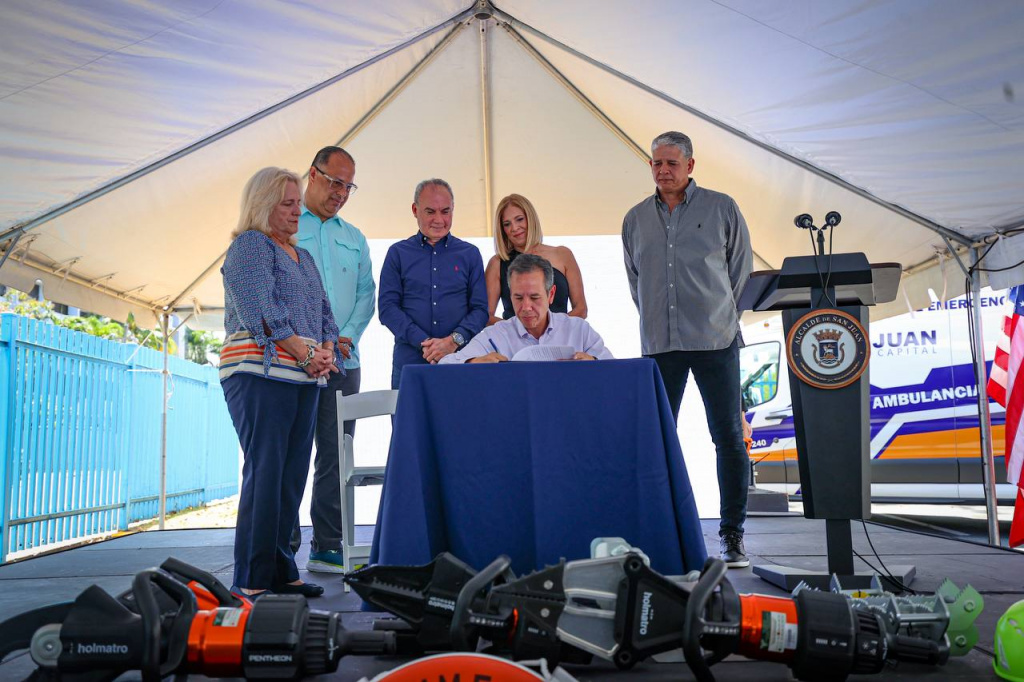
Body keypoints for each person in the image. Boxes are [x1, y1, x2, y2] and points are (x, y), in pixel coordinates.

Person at [622, 131, 753, 569]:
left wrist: (719, 315)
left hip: (716, 341)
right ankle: (662, 533)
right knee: (658, 440)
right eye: (656, 163)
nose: (663, 170)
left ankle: (732, 535)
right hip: (661, 345)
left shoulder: (722, 208)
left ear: (690, 166)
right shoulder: (635, 218)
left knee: (728, 438)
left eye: (671, 163)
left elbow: (740, 273)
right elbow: (637, 281)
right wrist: (658, 319)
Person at [219, 167, 342, 598]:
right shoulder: (250, 245)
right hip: (260, 375)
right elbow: (262, 311)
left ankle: (282, 571)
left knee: (291, 478)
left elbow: (325, 313)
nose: (296, 211)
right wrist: (308, 355)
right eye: (287, 204)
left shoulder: (302, 256)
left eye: (297, 203)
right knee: (266, 472)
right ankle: (252, 579)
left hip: (303, 378)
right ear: (263, 205)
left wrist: (326, 351)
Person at [288, 146, 375, 575]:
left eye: (348, 186)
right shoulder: (285, 224)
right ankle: (282, 544)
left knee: (336, 456)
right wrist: (305, 348)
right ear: (313, 174)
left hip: (343, 361)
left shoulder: (355, 238)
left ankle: (327, 545)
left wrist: (345, 338)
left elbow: (366, 295)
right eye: (335, 182)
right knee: (290, 452)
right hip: (292, 361)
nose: (341, 192)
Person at [379, 179, 487, 387]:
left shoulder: (470, 254)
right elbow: (387, 309)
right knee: (408, 411)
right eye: (430, 212)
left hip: (461, 362)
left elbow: (480, 310)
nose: (439, 219)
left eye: (445, 211)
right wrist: (425, 344)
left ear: (453, 209)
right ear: (415, 210)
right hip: (410, 365)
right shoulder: (397, 253)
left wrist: (453, 341)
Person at [442, 254, 611, 364]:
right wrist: (473, 362)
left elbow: (615, 369)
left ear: (551, 295)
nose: (526, 307)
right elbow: (446, 364)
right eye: (518, 298)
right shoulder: (495, 336)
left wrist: (593, 363)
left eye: (535, 297)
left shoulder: (580, 331)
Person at [485, 194, 588, 325]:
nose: (514, 228)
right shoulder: (497, 263)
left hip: (561, 335)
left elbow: (581, 309)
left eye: (519, 219)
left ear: (530, 218)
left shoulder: (563, 254)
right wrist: (516, 330)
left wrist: (553, 330)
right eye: (507, 224)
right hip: (515, 338)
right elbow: (485, 316)